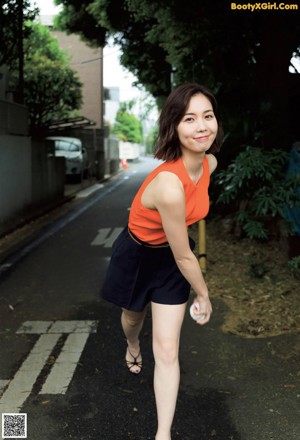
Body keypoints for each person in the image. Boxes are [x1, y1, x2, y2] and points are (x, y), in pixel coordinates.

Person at [102, 83, 223, 440]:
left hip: (172, 258)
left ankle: (163, 434)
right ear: (174, 126)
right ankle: (133, 344)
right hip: (138, 254)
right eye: (190, 119)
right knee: (132, 319)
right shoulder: (169, 184)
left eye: (208, 116)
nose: (202, 126)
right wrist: (203, 294)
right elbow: (186, 254)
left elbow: (182, 243)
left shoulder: (210, 163)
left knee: (168, 348)